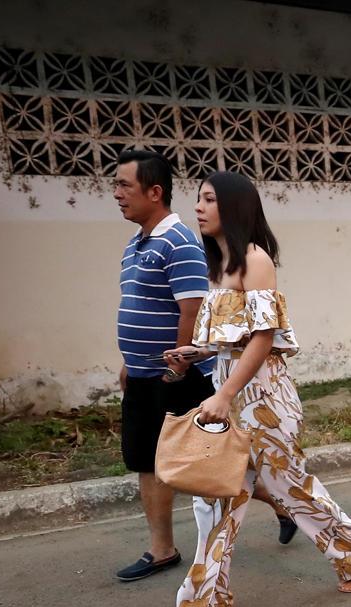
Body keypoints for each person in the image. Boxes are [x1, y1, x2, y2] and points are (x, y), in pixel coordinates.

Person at [162, 171, 351, 607]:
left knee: (292, 488)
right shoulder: (220, 265)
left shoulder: (254, 260)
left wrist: (224, 394)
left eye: (209, 199)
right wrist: (195, 352)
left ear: (234, 206)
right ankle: (208, 597)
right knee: (216, 498)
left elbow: (263, 339)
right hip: (230, 396)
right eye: (199, 199)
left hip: (264, 400)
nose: (199, 208)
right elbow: (234, 339)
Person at [109, 150, 295, 583]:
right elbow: (203, 329)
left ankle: (299, 522)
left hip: (197, 381)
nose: (116, 194)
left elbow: (204, 315)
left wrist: (185, 367)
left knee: (210, 470)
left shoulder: (206, 250)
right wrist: (133, 361)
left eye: (124, 185)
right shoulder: (142, 245)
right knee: (154, 461)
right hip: (150, 372)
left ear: (154, 192)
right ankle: (180, 563)